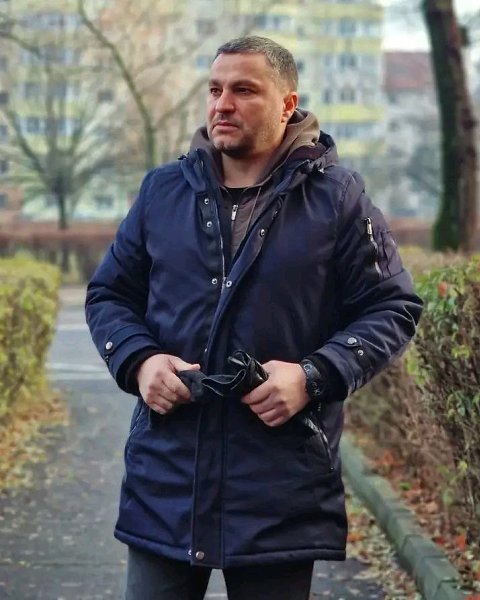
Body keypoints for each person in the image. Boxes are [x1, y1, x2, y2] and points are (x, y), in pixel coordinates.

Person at [85, 35, 423, 600]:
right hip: (166, 479)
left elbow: (393, 306)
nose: (223, 104)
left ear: (287, 104)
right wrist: (140, 362)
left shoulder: (338, 198)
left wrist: (313, 376)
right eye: (215, 89)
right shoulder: (162, 192)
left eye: (244, 90)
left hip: (281, 484)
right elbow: (109, 294)